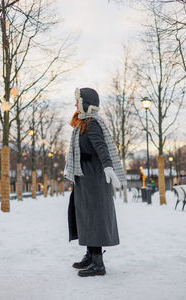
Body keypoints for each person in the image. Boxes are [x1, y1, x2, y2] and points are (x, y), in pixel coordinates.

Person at [64, 87, 127, 277]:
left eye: (78, 101)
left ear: (86, 103)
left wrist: (109, 167)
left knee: (94, 218)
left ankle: (98, 263)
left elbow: (102, 148)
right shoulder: (81, 124)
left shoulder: (92, 124)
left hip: (94, 180)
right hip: (84, 178)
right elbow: (82, 150)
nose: (75, 104)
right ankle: (91, 255)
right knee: (85, 217)